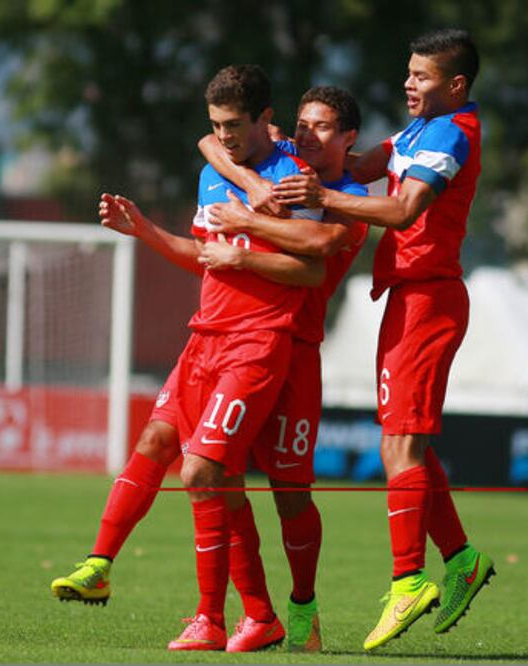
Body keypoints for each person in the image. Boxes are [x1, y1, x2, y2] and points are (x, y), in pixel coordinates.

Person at [205, 28, 494, 651]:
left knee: (396, 448)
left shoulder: (450, 134)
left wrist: (315, 197)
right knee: (406, 440)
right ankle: (461, 559)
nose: (408, 83)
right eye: (408, 72)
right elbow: (220, 140)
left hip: (427, 297)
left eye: (421, 76)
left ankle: (407, 581)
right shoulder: (416, 133)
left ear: (456, 85)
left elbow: (403, 210)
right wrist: (262, 167)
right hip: (404, 296)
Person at [51, 64, 326, 652]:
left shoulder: (295, 179)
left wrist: (243, 257)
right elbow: (204, 256)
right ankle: (117, 571)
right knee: (164, 445)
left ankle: (219, 615)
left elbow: (311, 271)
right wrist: (145, 230)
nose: (224, 136)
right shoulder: (213, 174)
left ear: (264, 119)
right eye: (216, 125)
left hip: (257, 344)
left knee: (203, 472)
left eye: (234, 124)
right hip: (204, 339)